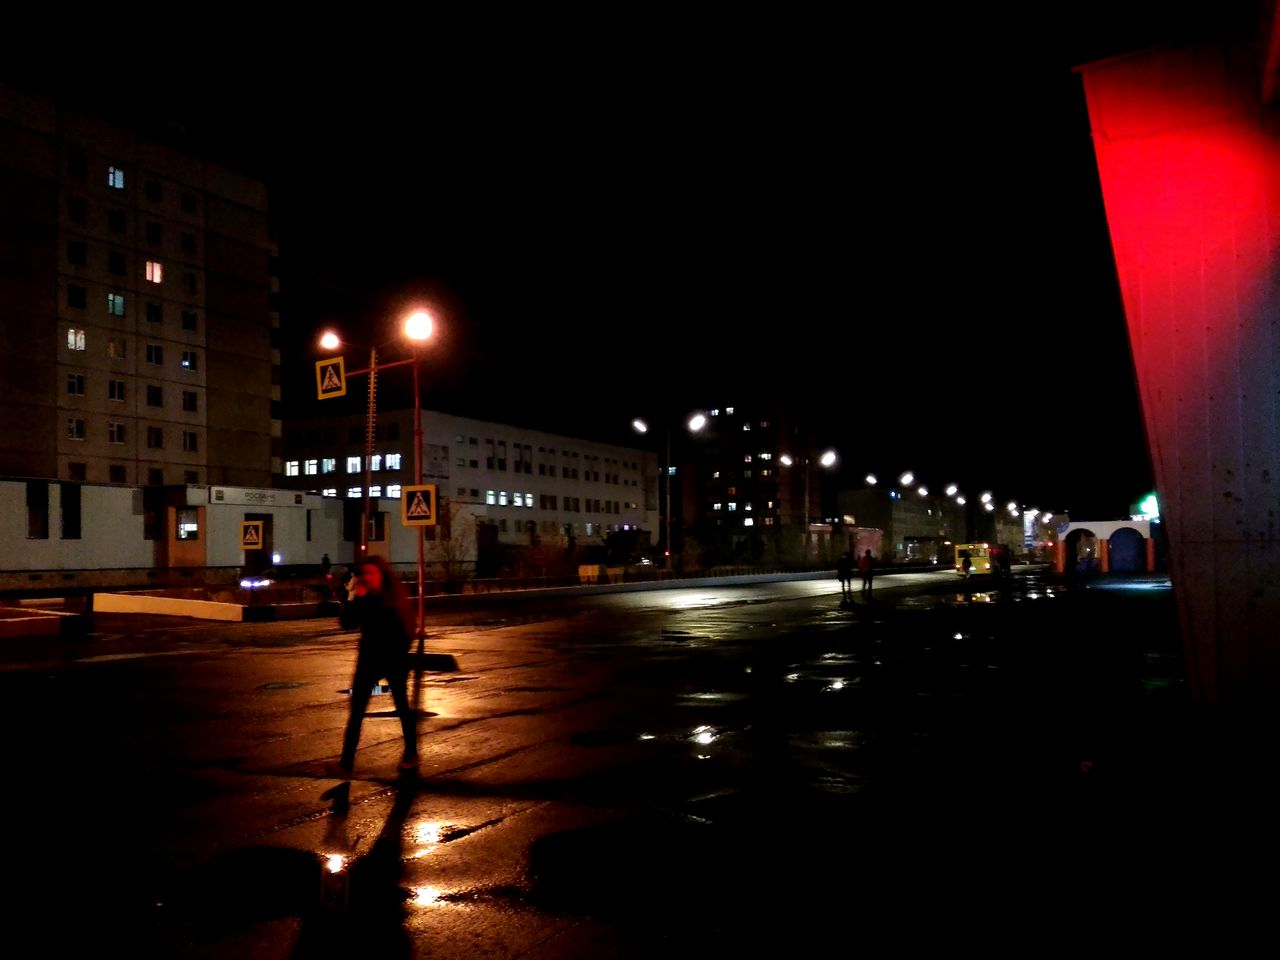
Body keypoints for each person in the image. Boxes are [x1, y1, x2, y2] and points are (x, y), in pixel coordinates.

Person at [333, 554, 419, 777]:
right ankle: (345, 763)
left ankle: (411, 754)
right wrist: (351, 595)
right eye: (365, 574)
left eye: (372, 573)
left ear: (382, 574)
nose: (368, 578)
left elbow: (405, 629)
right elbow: (347, 624)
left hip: (393, 659)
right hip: (368, 660)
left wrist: (399, 651)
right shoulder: (363, 596)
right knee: (356, 712)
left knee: (402, 707)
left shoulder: (393, 598)